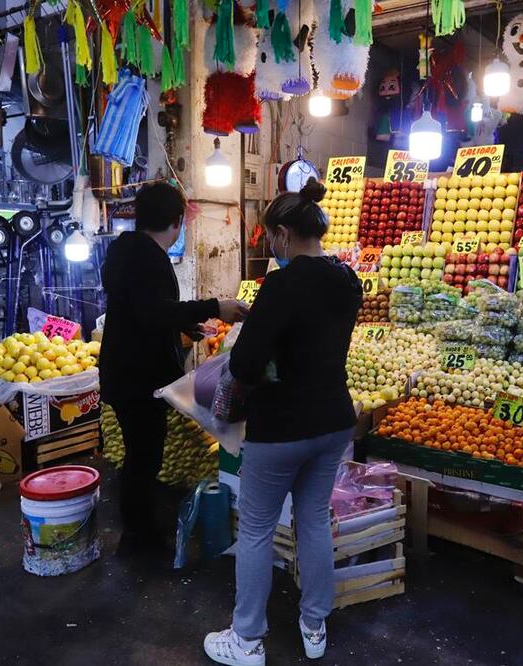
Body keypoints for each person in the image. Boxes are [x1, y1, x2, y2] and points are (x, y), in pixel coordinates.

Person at [204, 178, 363, 665]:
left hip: (282, 427)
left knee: (256, 529)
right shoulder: (347, 280)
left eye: (270, 235)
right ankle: (314, 626)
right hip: (334, 419)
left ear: (282, 234)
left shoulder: (280, 284)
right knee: (312, 520)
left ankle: (247, 639)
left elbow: (247, 364)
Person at [100, 182, 248, 561]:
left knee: (140, 455)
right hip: (138, 377)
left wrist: (183, 325)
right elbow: (153, 311)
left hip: (124, 371)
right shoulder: (148, 257)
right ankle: (139, 539)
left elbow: (143, 311)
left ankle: (139, 531)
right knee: (143, 458)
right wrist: (215, 306)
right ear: (176, 221)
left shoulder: (125, 250)